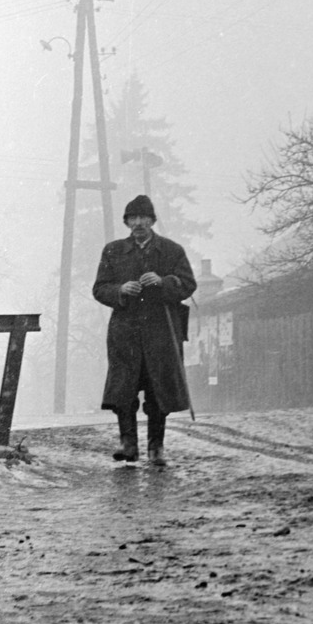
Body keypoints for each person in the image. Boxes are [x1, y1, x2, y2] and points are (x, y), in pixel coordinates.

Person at [92, 194, 197, 466]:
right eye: (133, 218)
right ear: (127, 222)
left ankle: (155, 448)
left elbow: (188, 284)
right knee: (123, 390)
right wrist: (120, 289)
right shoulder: (113, 251)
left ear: (152, 221)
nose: (138, 223)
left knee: (158, 389)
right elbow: (99, 288)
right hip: (125, 333)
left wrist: (164, 282)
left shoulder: (172, 251)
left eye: (143, 218)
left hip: (161, 332)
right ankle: (128, 445)